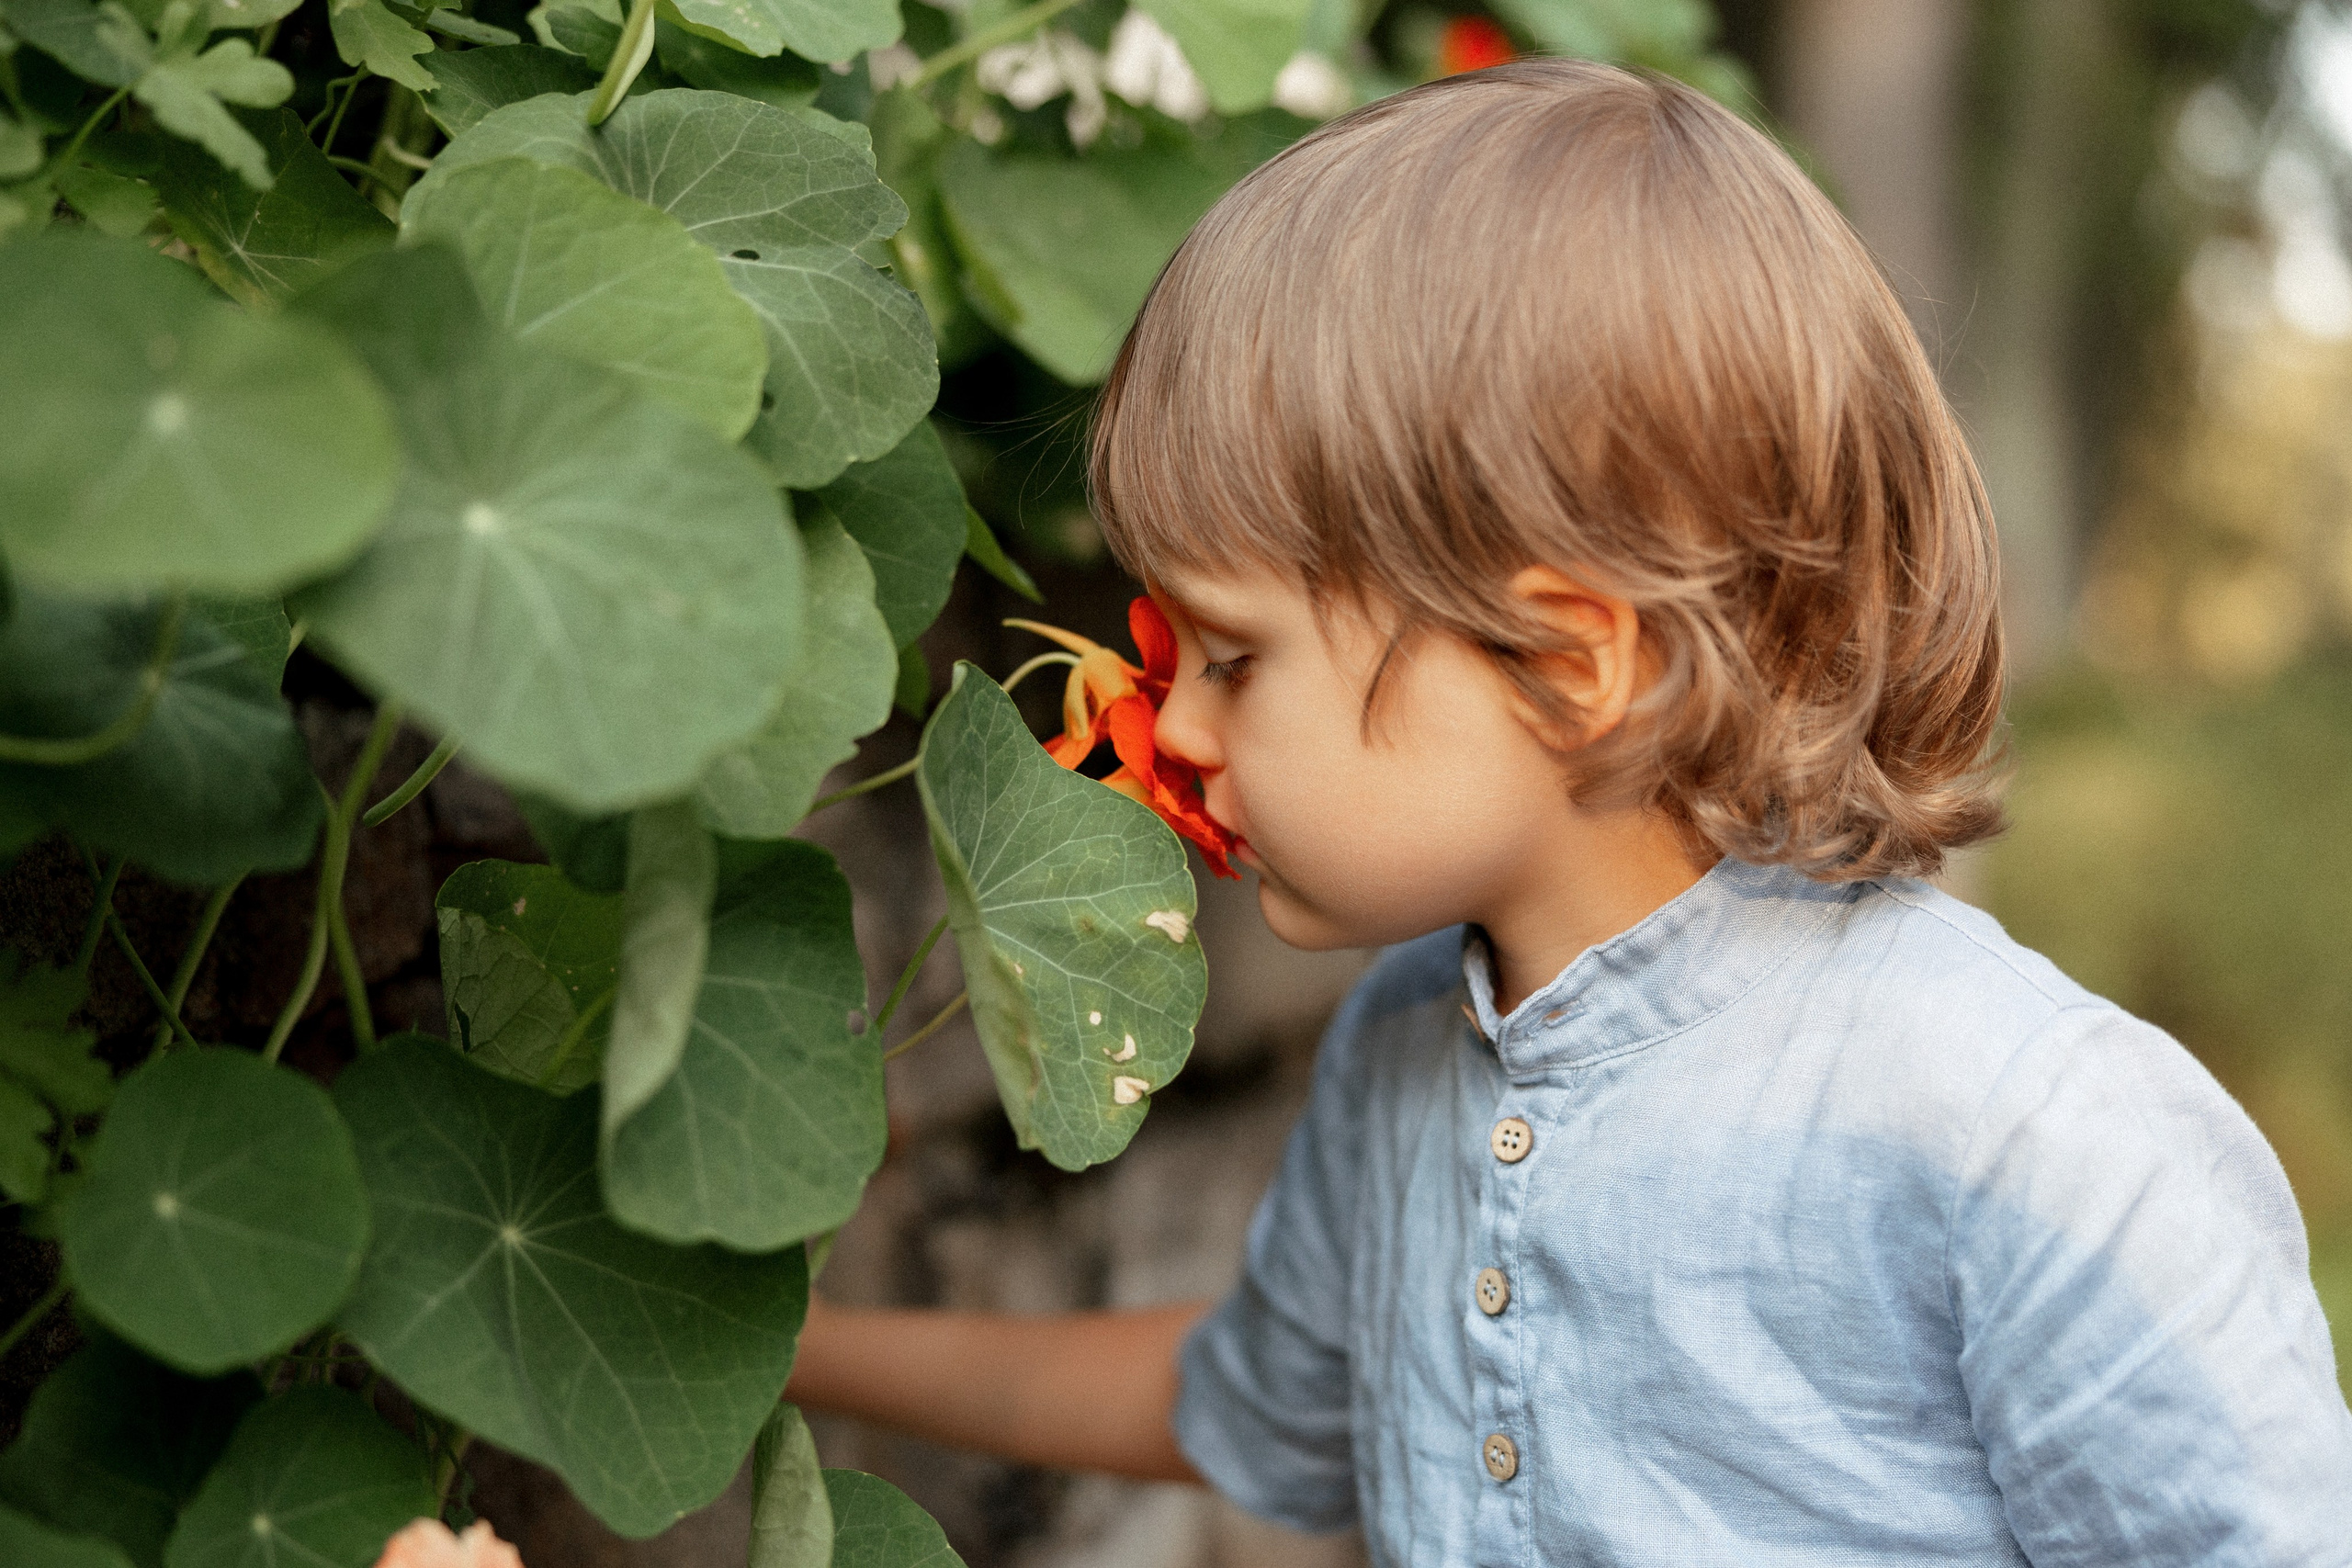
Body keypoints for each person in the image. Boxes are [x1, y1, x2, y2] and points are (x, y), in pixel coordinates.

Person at [785, 58, 2352, 1562]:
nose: (1171, 721)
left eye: (1234, 656)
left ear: (1568, 661)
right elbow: (1237, 1395)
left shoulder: (2030, 1132)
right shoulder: (1404, 1043)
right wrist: (797, 1347)